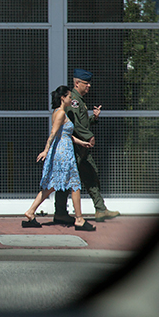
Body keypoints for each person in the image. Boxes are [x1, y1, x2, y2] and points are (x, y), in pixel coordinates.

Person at [23, 85, 95, 231]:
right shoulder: (61, 113)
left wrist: (82, 142)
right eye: (69, 96)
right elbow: (54, 133)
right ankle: (79, 220)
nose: (71, 99)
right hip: (63, 154)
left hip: (62, 150)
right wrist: (45, 150)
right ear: (63, 98)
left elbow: (66, 134)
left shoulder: (58, 112)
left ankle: (30, 212)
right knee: (74, 184)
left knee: (53, 185)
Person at [53, 69, 120, 225]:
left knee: (91, 175)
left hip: (82, 148)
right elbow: (74, 125)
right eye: (86, 83)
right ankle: (60, 212)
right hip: (75, 147)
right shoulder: (73, 101)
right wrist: (89, 135)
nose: (89, 85)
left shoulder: (79, 100)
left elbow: (81, 123)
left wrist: (93, 118)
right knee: (65, 180)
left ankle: (100, 209)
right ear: (77, 83)